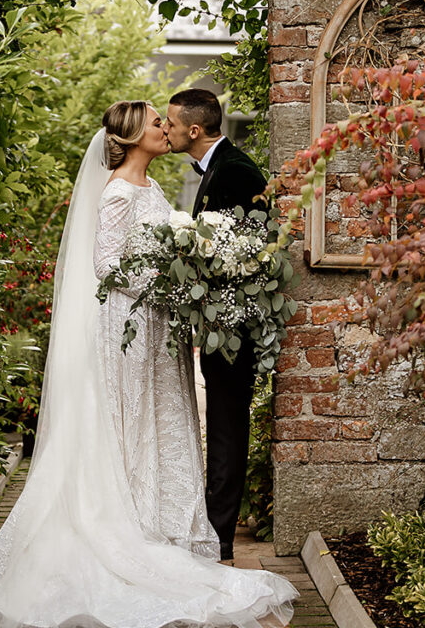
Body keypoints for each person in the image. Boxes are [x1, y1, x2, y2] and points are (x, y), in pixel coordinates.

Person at [0, 101, 295, 628]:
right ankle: (129, 526)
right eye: (156, 123)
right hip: (130, 325)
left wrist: (185, 269)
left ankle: (158, 522)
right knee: (130, 418)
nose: (165, 128)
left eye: (167, 122)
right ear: (132, 135)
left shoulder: (154, 189)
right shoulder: (116, 192)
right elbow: (106, 264)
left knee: (162, 417)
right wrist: (167, 279)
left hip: (158, 322)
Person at [164, 89, 268, 562]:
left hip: (232, 326)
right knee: (223, 425)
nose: (164, 129)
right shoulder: (219, 168)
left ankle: (220, 536)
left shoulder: (238, 172)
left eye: (169, 122)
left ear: (193, 129)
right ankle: (213, 528)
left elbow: (245, 255)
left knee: (227, 426)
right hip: (215, 323)